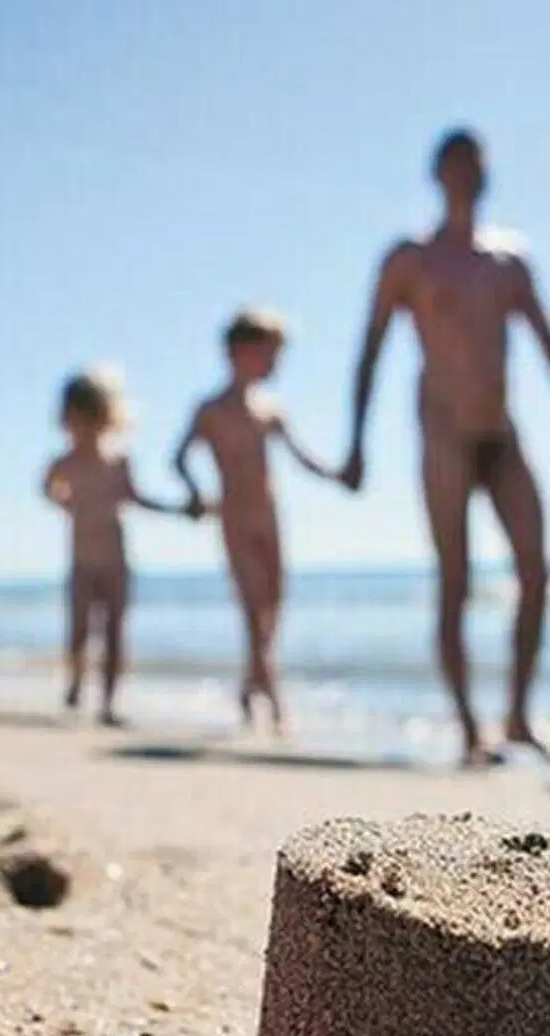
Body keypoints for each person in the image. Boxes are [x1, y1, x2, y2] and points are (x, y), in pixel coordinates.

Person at [339, 127, 550, 767]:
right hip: (443, 431)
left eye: (477, 167)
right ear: (437, 174)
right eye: (457, 166)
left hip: (501, 431)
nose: (467, 176)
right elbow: (369, 348)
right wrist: (355, 443)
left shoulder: (508, 259)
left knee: (537, 571)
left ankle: (517, 715)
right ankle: (467, 728)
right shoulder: (409, 260)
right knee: (455, 580)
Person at [171, 307, 342, 734]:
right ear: (241, 352)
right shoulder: (210, 410)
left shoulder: (270, 410)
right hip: (234, 519)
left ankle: (251, 686)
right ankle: (277, 704)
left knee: (273, 611)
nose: (274, 365)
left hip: (270, 519)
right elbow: (178, 457)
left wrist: (339, 475)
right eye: (269, 355)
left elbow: (303, 458)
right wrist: (194, 493)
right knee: (252, 611)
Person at [42, 368, 190, 727]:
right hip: (81, 561)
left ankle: (108, 703)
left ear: (108, 418)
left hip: (116, 562)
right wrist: (63, 502)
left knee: (114, 632)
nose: (85, 428)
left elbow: (136, 498)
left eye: (93, 418)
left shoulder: (118, 461)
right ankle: (76, 680)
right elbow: (46, 487)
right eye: (78, 419)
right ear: (67, 419)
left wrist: (178, 509)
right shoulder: (65, 462)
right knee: (78, 630)